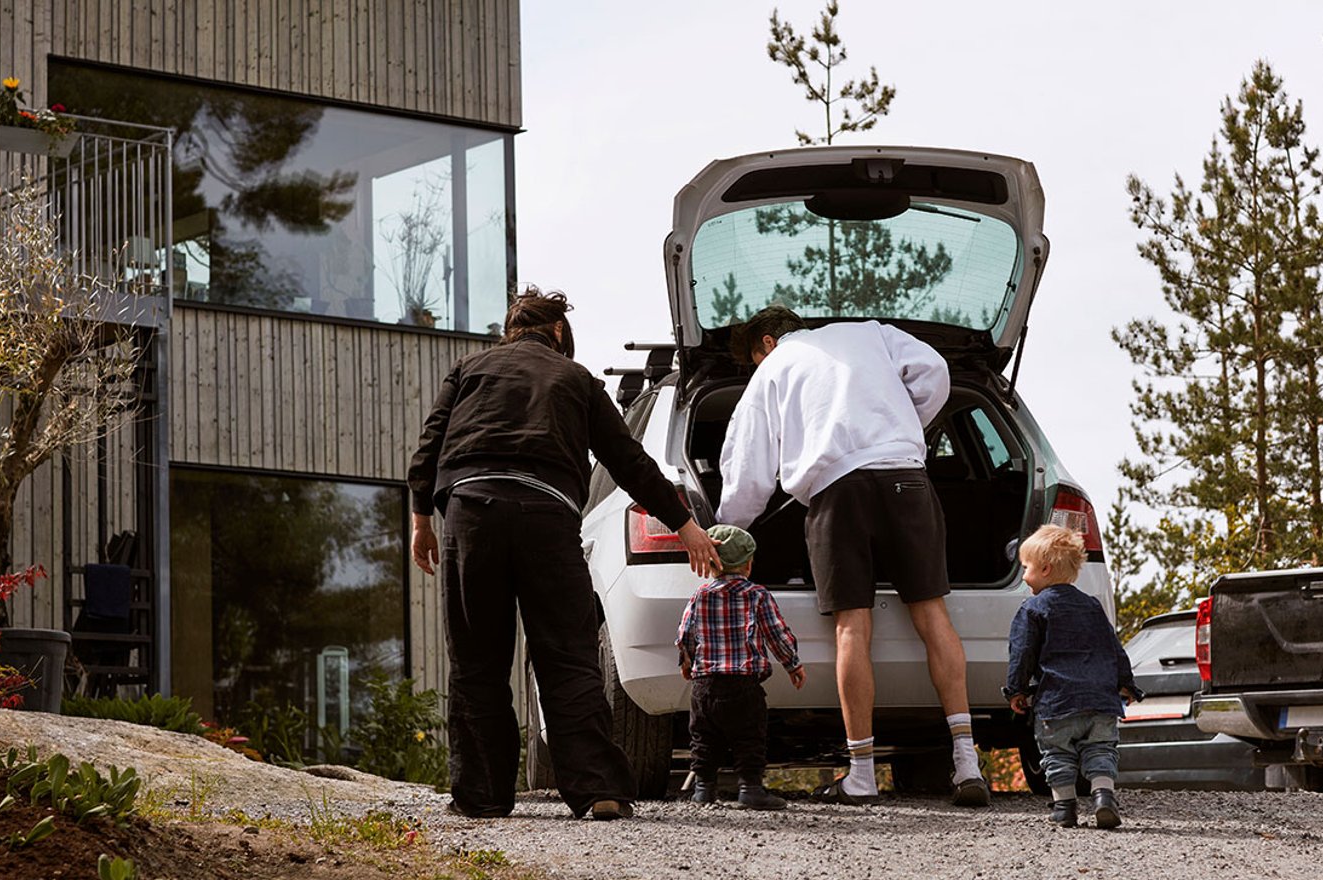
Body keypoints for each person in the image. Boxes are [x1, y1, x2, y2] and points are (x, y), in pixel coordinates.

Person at [408, 286, 720, 822]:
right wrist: (686, 524)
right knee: (569, 655)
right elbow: (629, 460)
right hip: (546, 517)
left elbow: (429, 446)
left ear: (512, 331)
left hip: (471, 513)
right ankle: (599, 789)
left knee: (477, 659)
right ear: (558, 332)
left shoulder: (469, 369)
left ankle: (482, 797)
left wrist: (420, 520)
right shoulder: (577, 380)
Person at [718, 306, 989, 807]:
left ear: (767, 344)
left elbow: (749, 464)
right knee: (932, 615)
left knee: (851, 626)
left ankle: (861, 775)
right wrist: (903, 426)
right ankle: (966, 762)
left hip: (837, 491)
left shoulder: (774, 367)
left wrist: (728, 531)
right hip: (907, 474)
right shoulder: (872, 333)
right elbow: (935, 372)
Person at [1001, 525, 1142, 829]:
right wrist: (1125, 682)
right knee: (1101, 750)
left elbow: (1022, 652)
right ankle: (1104, 796)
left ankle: (1064, 808)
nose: (1024, 575)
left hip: (1057, 701)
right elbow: (1112, 646)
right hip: (1100, 700)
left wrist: (1016, 689)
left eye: (1026, 568)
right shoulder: (1092, 605)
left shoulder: (1033, 608)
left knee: (1058, 753)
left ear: (1045, 568)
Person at [676, 525, 806, 811]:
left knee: (703, 738)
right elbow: (777, 634)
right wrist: (792, 664)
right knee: (749, 737)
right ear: (748, 564)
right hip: (743, 686)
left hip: (704, 685)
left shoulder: (700, 595)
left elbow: (685, 634)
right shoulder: (757, 595)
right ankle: (750, 788)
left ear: (710, 564)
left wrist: (687, 663)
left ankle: (703, 788)